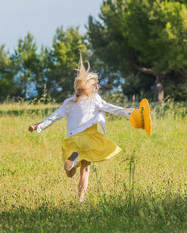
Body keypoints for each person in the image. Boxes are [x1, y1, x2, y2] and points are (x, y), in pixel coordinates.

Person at [28, 57, 133, 202]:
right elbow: (113, 109)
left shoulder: (69, 102)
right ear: (93, 87)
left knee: (70, 173)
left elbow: (54, 117)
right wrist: (129, 113)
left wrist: (38, 126)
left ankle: (72, 162)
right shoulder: (95, 99)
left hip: (74, 139)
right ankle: (81, 199)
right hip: (90, 139)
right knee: (85, 169)